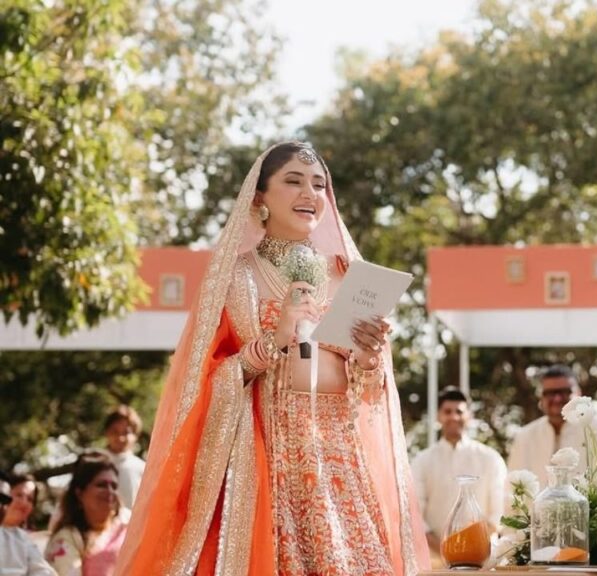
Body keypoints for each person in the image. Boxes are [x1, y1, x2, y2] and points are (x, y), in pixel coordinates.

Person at [113, 142, 429, 575]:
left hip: (339, 460)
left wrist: (370, 358)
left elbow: (370, 393)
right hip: (271, 459)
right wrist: (272, 341)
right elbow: (201, 383)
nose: (310, 194)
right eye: (294, 181)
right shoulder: (234, 277)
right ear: (259, 197)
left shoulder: (347, 273)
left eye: (318, 184)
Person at [411, 387, 506, 561]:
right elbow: (415, 515)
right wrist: (446, 550)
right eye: (448, 412)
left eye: (459, 412)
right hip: (434, 561)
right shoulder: (421, 461)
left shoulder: (491, 458)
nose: (454, 417)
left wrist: (470, 549)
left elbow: (499, 513)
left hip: (483, 561)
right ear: (438, 416)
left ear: (469, 416)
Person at [506, 365, 597, 483]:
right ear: (541, 398)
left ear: (578, 394)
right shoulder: (524, 436)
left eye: (565, 392)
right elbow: (511, 486)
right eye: (550, 393)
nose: (557, 398)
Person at [44, 453, 129, 576]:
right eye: (101, 485)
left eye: (114, 486)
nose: (110, 491)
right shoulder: (66, 539)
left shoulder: (128, 526)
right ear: (80, 494)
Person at [0, 474, 56, 576]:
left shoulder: (23, 539)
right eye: (19, 495)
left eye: (30, 499)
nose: (24, 503)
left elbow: (44, 571)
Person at [100, 406, 146, 509]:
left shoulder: (142, 468)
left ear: (135, 436)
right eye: (115, 431)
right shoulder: (94, 462)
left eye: (126, 432)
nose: (120, 438)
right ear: (107, 432)